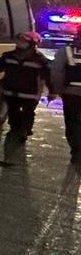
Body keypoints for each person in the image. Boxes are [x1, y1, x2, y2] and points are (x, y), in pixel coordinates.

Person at [0, 31, 52, 139]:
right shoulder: (9, 56)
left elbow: (48, 75)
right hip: (11, 91)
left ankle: (25, 130)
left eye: (24, 42)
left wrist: (52, 91)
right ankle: (14, 129)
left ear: (32, 45)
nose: (20, 44)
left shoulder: (40, 60)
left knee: (28, 113)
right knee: (13, 111)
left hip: (29, 93)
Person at [49, 29, 81, 161]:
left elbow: (56, 72)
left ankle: (76, 149)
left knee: (72, 121)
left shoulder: (66, 51)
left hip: (70, 94)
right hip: (71, 94)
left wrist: (57, 90)